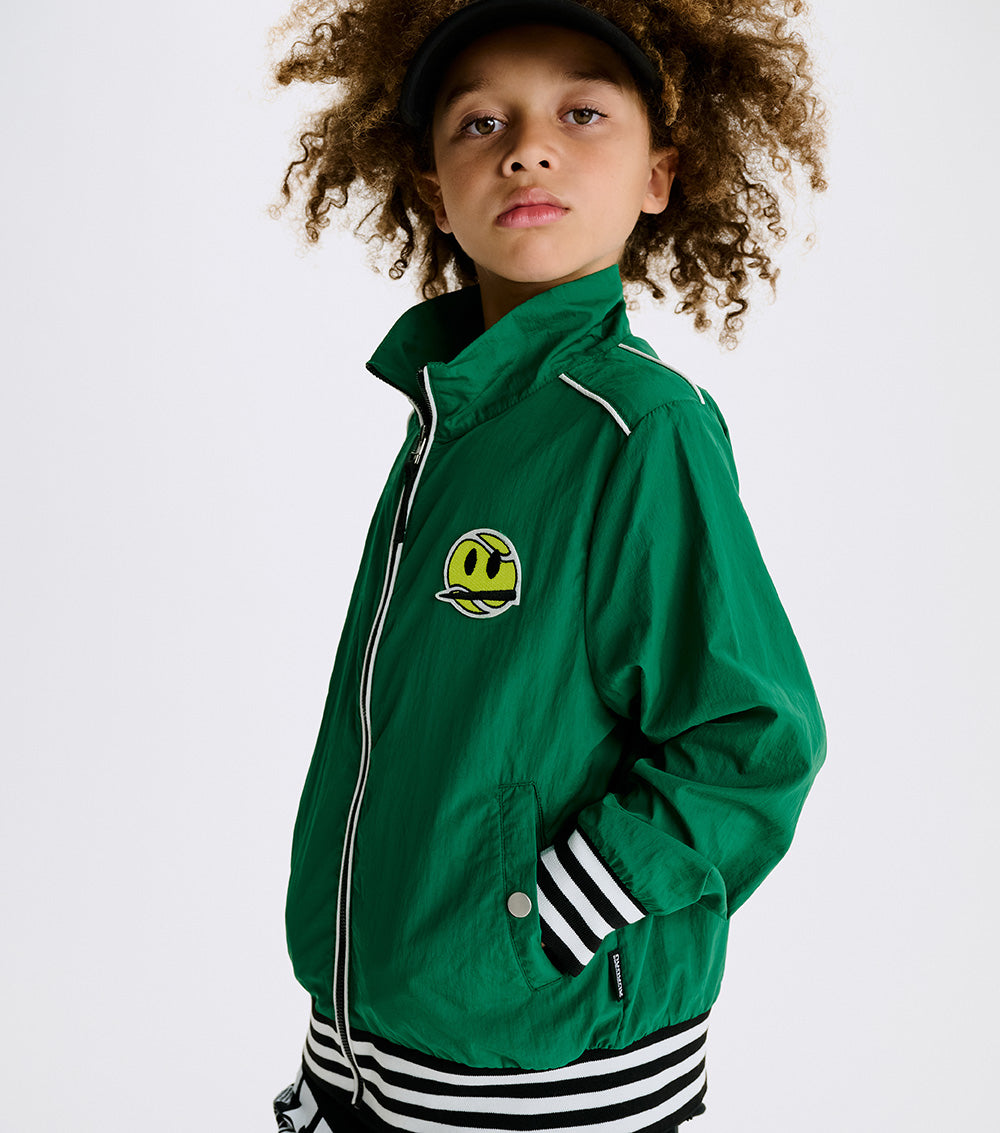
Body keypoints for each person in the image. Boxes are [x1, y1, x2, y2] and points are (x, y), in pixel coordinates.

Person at [267, 2, 828, 1130]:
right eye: (481, 122)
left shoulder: (639, 426)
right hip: (372, 1048)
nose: (527, 148)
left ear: (660, 174)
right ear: (434, 188)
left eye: (581, 113)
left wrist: (543, 924)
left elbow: (751, 742)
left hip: (546, 1072)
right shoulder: (449, 422)